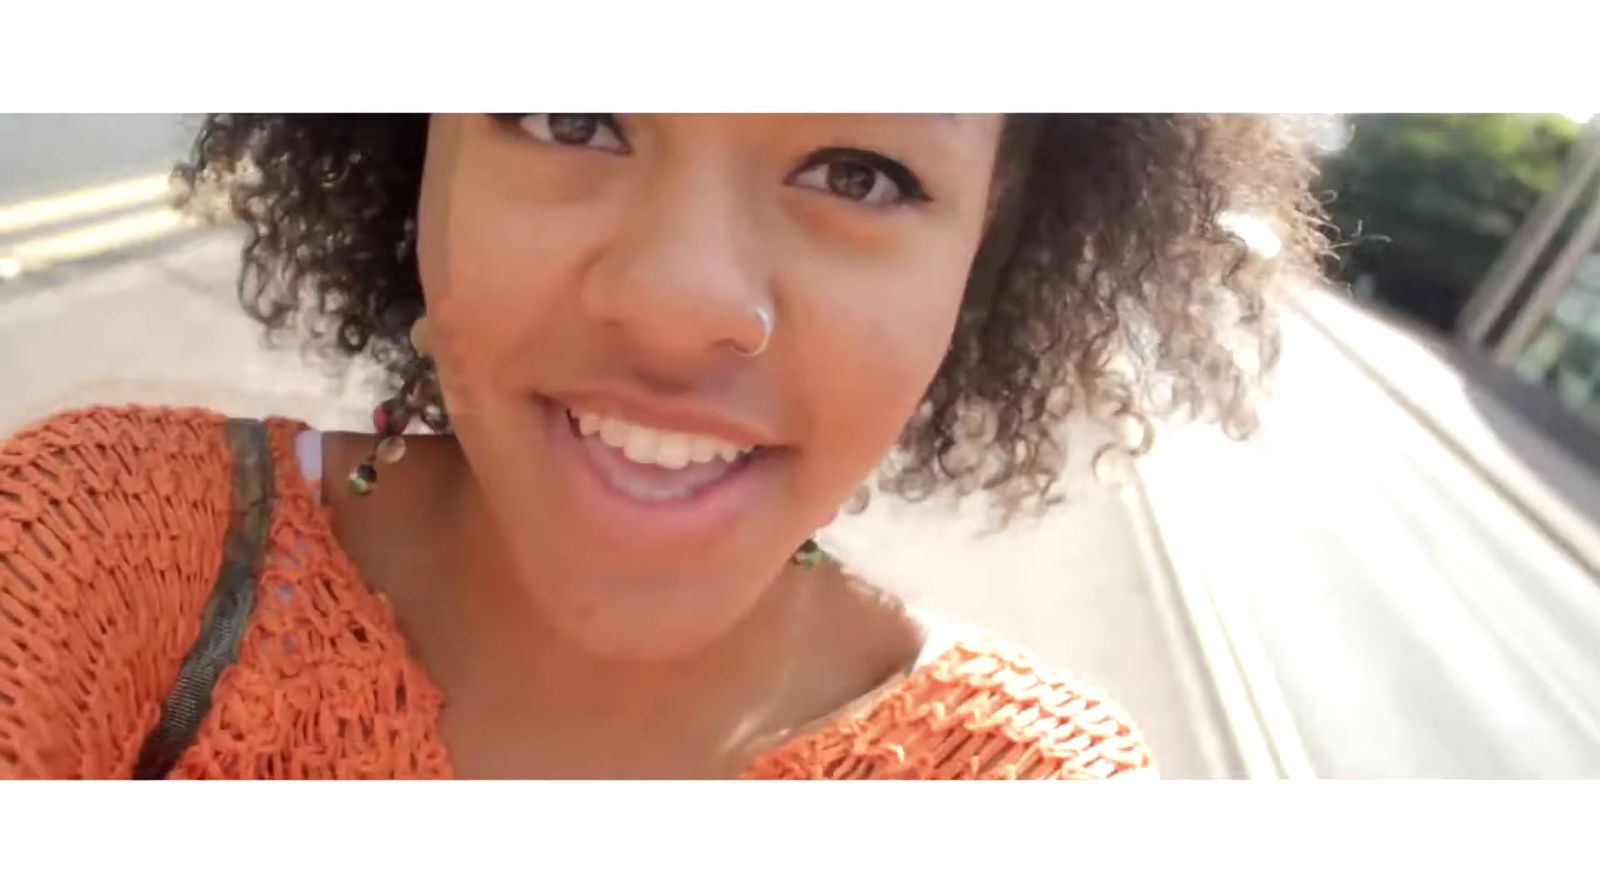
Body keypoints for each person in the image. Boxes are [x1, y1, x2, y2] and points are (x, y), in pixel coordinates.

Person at [0, 114, 1325, 779]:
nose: (684, 299)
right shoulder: (97, 557)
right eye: (574, 112)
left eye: (860, 173)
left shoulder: (1031, 802)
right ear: (418, 149)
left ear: (986, 259)